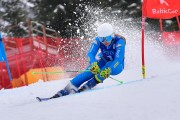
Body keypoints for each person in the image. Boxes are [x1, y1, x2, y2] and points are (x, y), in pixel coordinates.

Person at [51, 23, 126, 98]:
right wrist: (93, 63)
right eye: (102, 39)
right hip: (104, 59)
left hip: (117, 66)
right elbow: (90, 54)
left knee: (104, 70)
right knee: (89, 71)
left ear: (112, 36)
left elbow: (118, 59)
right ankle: (66, 89)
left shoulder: (119, 42)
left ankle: (89, 85)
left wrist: (110, 69)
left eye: (108, 38)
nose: (105, 41)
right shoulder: (98, 40)